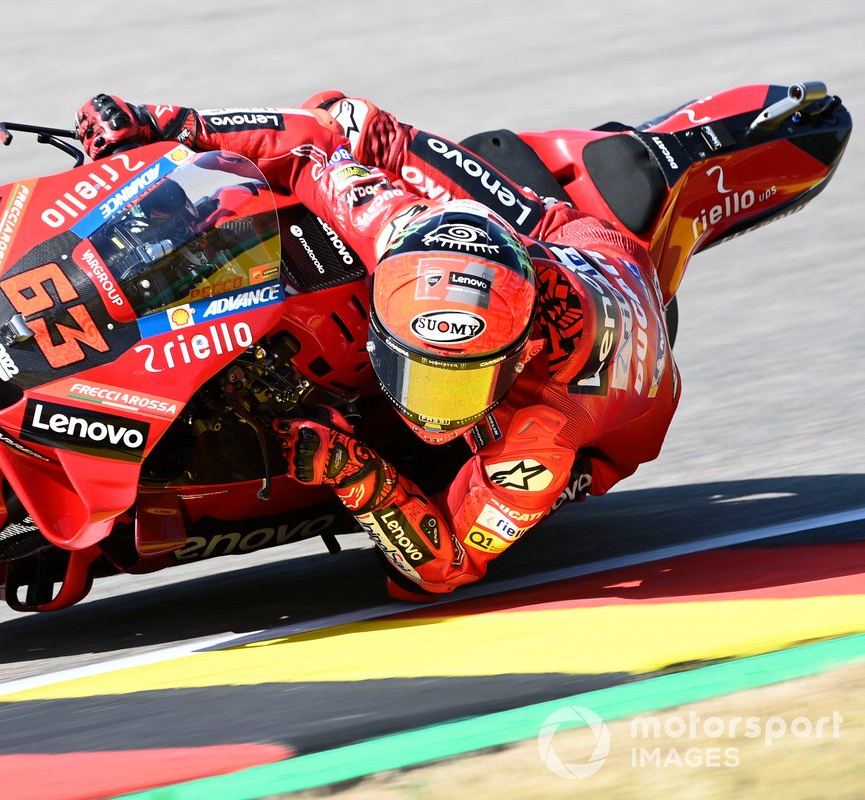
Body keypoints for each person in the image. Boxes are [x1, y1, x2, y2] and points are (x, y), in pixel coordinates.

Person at [74, 93, 680, 600]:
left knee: (437, 517)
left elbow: (442, 572)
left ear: (517, 357)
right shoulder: (394, 226)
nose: (427, 404)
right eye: (415, 369)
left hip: (609, 427)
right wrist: (166, 124)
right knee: (346, 115)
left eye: (454, 383)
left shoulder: (543, 440)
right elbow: (312, 143)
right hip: (556, 240)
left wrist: (356, 471)